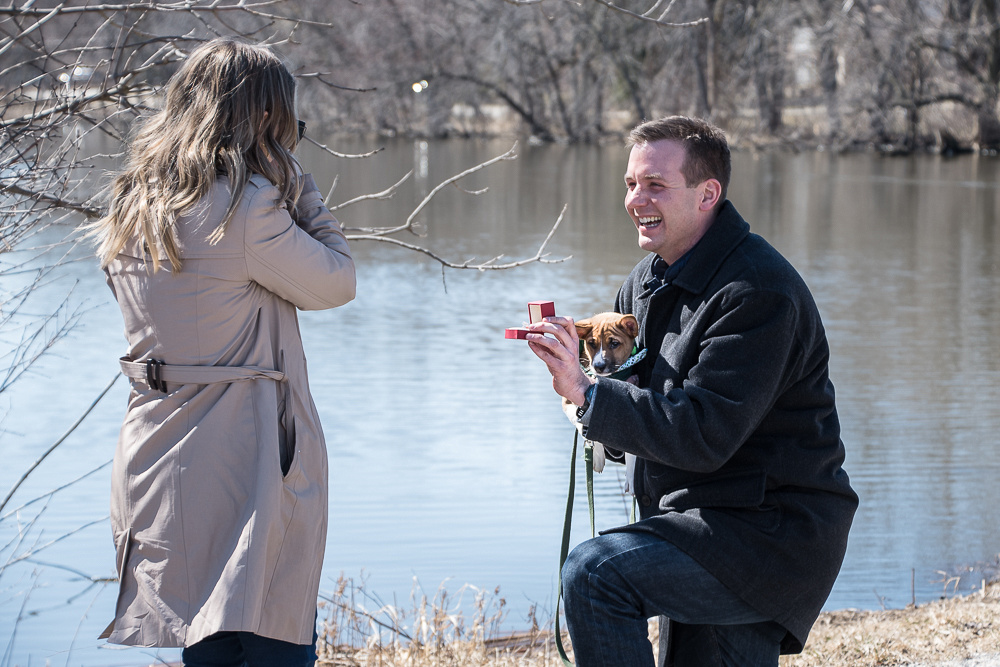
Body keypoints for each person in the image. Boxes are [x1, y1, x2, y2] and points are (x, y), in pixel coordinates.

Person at [526, 116, 858, 666]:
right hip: (690, 524)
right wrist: (588, 408)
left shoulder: (757, 291)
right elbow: (637, 402)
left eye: (656, 184)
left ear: (708, 194)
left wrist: (590, 396)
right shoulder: (644, 283)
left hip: (769, 536)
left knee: (596, 573)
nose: (636, 199)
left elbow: (703, 434)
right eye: (631, 184)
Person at [90, 37, 356, 666]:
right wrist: (302, 188)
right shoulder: (249, 206)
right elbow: (337, 281)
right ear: (265, 116)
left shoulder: (135, 202)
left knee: (203, 644)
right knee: (271, 638)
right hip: (246, 453)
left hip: (159, 448)